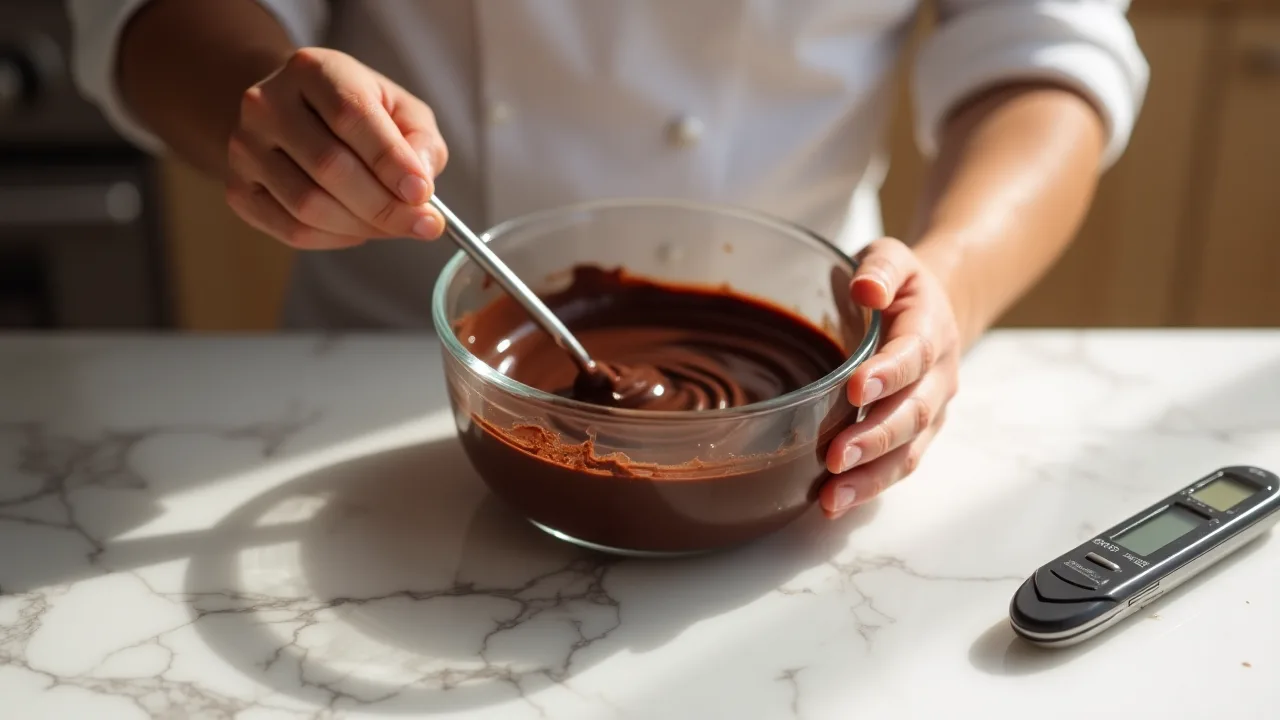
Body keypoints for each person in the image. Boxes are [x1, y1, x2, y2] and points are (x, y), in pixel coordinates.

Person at [66, 0, 1148, 519]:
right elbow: (153, 17)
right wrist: (268, 112)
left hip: (808, 390)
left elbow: (1040, 52)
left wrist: (945, 284)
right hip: (363, 381)